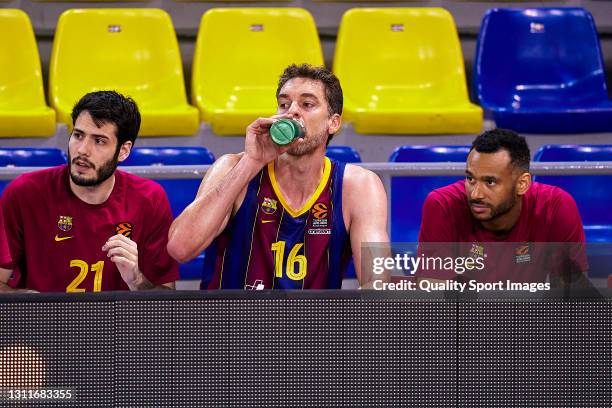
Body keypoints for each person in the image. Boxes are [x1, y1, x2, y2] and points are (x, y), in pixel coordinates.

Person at [168, 64, 389, 289]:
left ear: (333, 123)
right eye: (284, 104)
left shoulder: (359, 186)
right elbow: (180, 249)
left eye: (307, 104)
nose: (291, 111)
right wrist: (251, 163)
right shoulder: (232, 167)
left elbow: (378, 284)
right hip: (233, 321)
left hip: (313, 323)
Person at [0, 91, 178, 292]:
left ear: (123, 151)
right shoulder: (24, 193)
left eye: (99, 141)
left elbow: (165, 301)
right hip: (44, 322)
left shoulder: (150, 199)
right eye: (78, 135)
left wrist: (136, 279)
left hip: (117, 322)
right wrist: (26, 301)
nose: (83, 150)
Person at [417, 128, 587, 285]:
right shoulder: (442, 205)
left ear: (522, 184)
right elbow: (432, 298)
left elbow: (572, 293)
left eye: (490, 182)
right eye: (470, 179)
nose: (475, 194)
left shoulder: (556, 207)